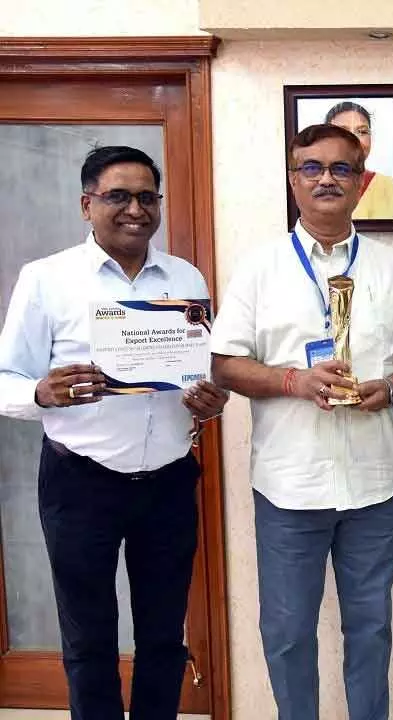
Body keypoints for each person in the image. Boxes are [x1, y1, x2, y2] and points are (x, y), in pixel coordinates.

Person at [209, 124, 393, 720]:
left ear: (361, 182)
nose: (326, 178)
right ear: (293, 179)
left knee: (372, 631)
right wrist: (293, 381)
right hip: (289, 489)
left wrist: (387, 388)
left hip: (374, 487)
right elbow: (224, 362)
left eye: (341, 168)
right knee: (285, 635)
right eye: (312, 167)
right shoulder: (259, 268)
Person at [0, 145, 228, 718]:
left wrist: (209, 401)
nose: (135, 209)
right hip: (81, 482)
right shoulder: (47, 279)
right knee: (88, 640)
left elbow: (196, 374)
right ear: (87, 204)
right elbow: (7, 377)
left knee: (162, 638)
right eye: (118, 196)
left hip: (169, 484)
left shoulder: (185, 277)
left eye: (147, 197)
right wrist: (39, 392)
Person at [326, 101, 393, 221]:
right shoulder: (312, 186)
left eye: (362, 132)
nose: (354, 139)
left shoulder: (391, 187)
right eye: (343, 132)